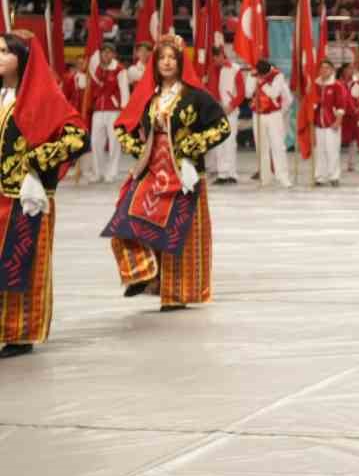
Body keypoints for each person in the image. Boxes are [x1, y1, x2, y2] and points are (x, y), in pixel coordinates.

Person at [102, 34, 230, 312]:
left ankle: (176, 293)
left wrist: (188, 147)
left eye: (172, 57)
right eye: (162, 58)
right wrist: (140, 150)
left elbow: (222, 127)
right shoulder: (148, 97)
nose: (167, 62)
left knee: (179, 233)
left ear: (181, 62)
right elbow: (122, 127)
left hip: (183, 174)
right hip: (152, 172)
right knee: (124, 221)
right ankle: (143, 272)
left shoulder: (196, 96)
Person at [0, 32, 89, 358]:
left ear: (22, 59)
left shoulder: (42, 98)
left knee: (23, 263)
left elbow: (78, 139)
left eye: (5, 52)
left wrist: (36, 164)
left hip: (25, 198)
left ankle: (19, 333)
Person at [87, 42, 129, 184]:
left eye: (109, 52)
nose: (106, 54)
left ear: (114, 54)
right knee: (95, 142)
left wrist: (124, 108)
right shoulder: (96, 69)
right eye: (103, 52)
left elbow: (124, 90)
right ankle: (97, 172)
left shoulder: (119, 69)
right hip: (98, 109)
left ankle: (111, 173)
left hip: (114, 110)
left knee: (114, 142)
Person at [249, 59, 293, 188]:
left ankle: (282, 176)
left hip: (274, 115)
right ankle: (265, 177)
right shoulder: (254, 76)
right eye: (260, 74)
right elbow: (248, 93)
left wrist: (262, 83)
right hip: (258, 115)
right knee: (261, 147)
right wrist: (252, 79)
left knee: (278, 146)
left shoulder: (278, 76)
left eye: (263, 75)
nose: (261, 76)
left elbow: (276, 94)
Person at [206, 46, 246, 184]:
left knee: (230, 142)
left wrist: (232, 105)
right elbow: (210, 89)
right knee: (219, 142)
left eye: (216, 57)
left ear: (222, 55)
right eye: (213, 58)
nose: (215, 60)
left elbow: (241, 92)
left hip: (230, 110)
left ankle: (231, 173)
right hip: (217, 110)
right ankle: (222, 173)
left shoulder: (235, 69)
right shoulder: (212, 69)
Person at [310, 60, 352, 186]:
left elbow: (341, 105)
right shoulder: (315, 85)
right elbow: (310, 105)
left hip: (331, 124)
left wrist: (338, 121)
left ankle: (334, 176)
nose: (324, 70)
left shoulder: (337, 85)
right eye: (322, 68)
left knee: (332, 150)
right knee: (319, 151)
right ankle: (319, 177)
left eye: (327, 68)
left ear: (332, 70)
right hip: (318, 125)